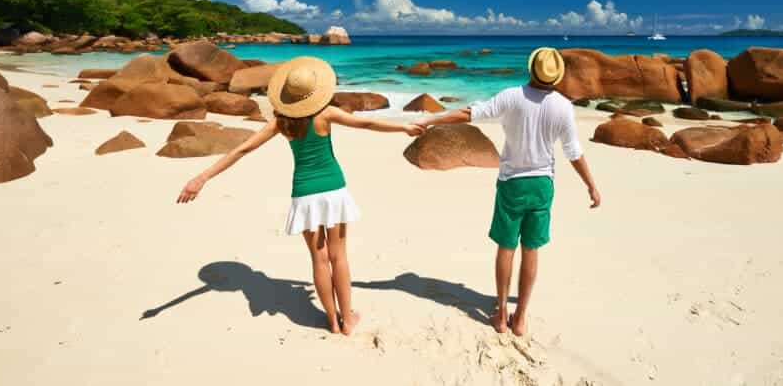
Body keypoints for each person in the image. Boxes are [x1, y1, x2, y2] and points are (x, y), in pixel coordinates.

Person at [177, 56, 423, 335]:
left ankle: (331, 321)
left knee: (319, 260)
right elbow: (365, 125)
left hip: (304, 194)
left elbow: (242, 150)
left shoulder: (281, 123)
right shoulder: (325, 114)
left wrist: (202, 178)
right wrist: (403, 126)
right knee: (338, 257)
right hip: (333, 189)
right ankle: (347, 320)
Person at [414, 47, 601, 336]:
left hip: (512, 183)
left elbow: (469, 113)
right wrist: (591, 184)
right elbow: (573, 152)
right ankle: (521, 318)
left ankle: (501, 315)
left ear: (531, 69)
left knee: (506, 247)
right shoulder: (563, 106)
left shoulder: (512, 96)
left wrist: (429, 120)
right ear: (556, 77)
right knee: (531, 250)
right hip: (541, 185)